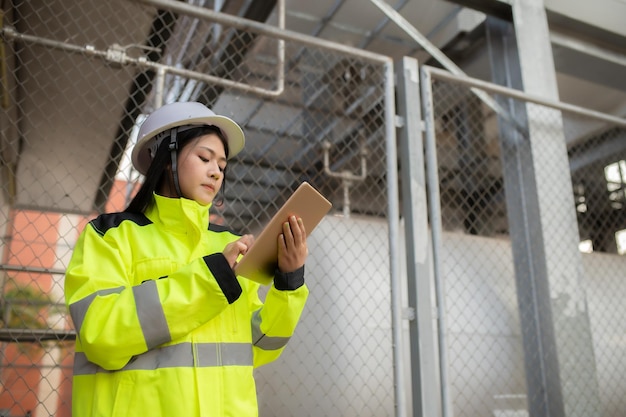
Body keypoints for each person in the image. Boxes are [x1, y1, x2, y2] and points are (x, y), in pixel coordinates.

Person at [64, 101, 309, 417]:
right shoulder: (110, 236)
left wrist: (289, 283)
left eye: (222, 165)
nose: (215, 172)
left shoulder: (227, 244)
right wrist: (212, 280)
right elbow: (101, 333)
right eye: (205, 158)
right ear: (167, 159)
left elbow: (259, 347)